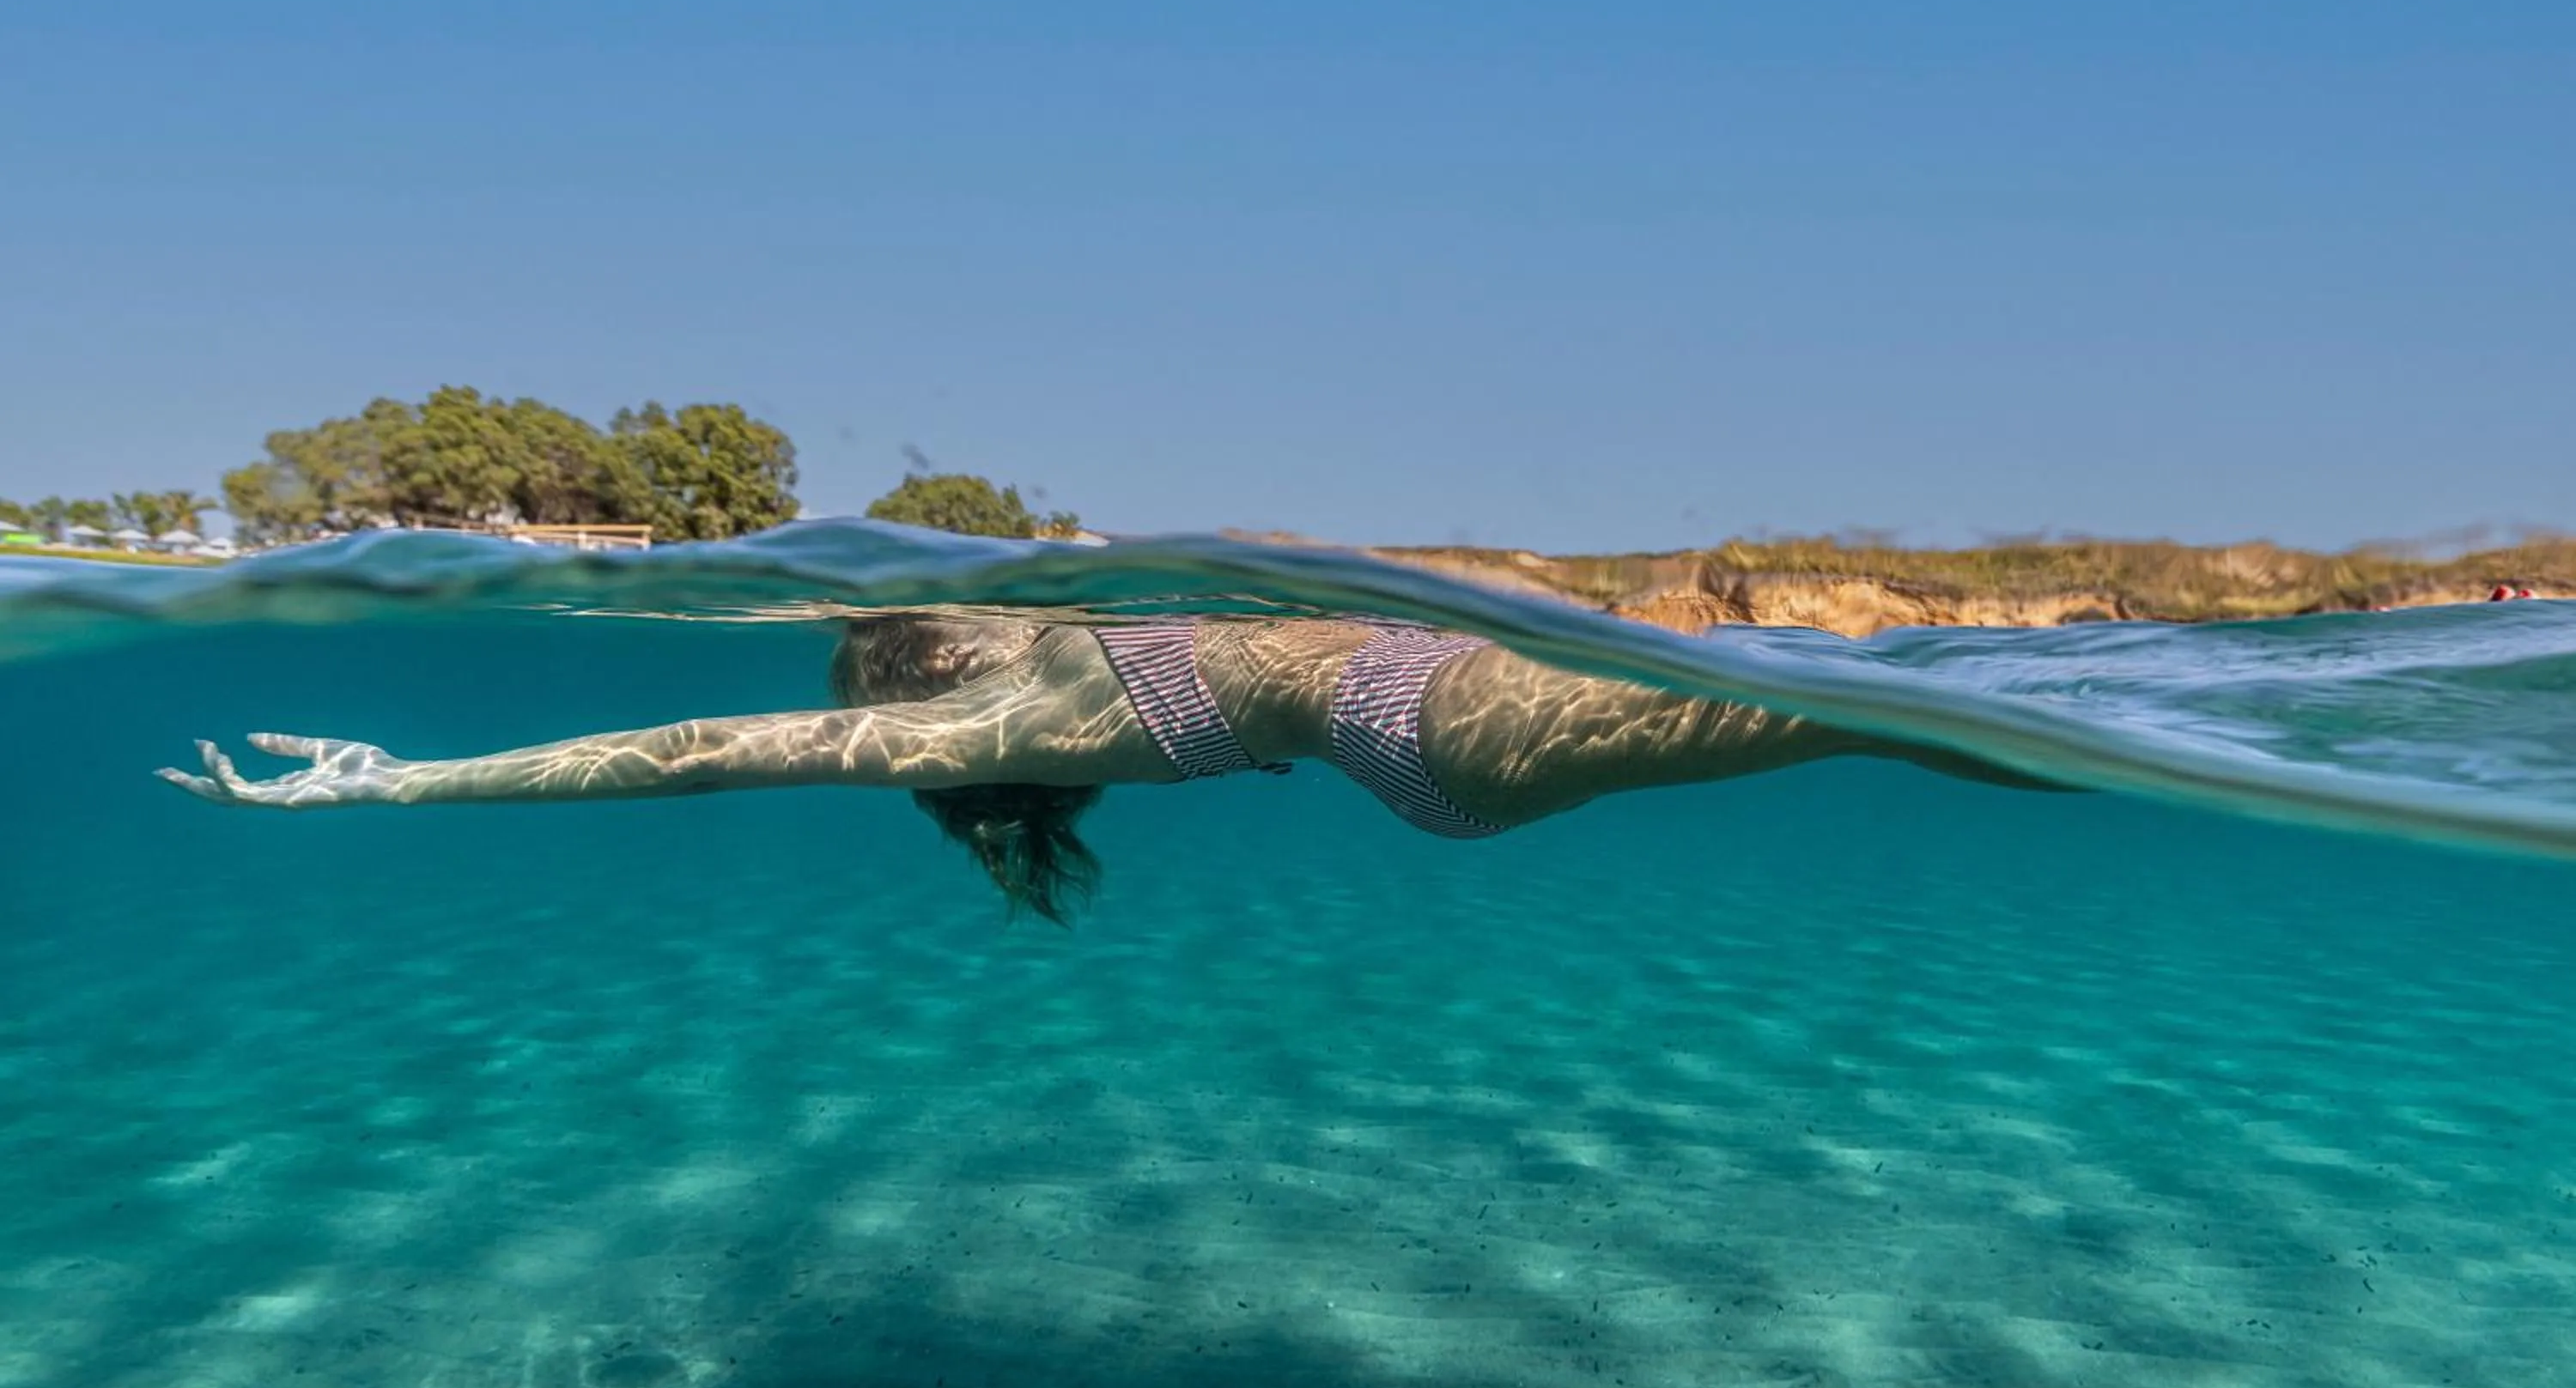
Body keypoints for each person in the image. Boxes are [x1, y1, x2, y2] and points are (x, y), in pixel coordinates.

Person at [161, 610, 2061, 922]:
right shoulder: (1004, 707)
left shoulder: (1054, 666)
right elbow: (682, 746)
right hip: (1431, 725)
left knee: (1918, 727)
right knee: (1885, 703)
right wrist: (395, 781)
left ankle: (2065, 744)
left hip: (1441, 717)